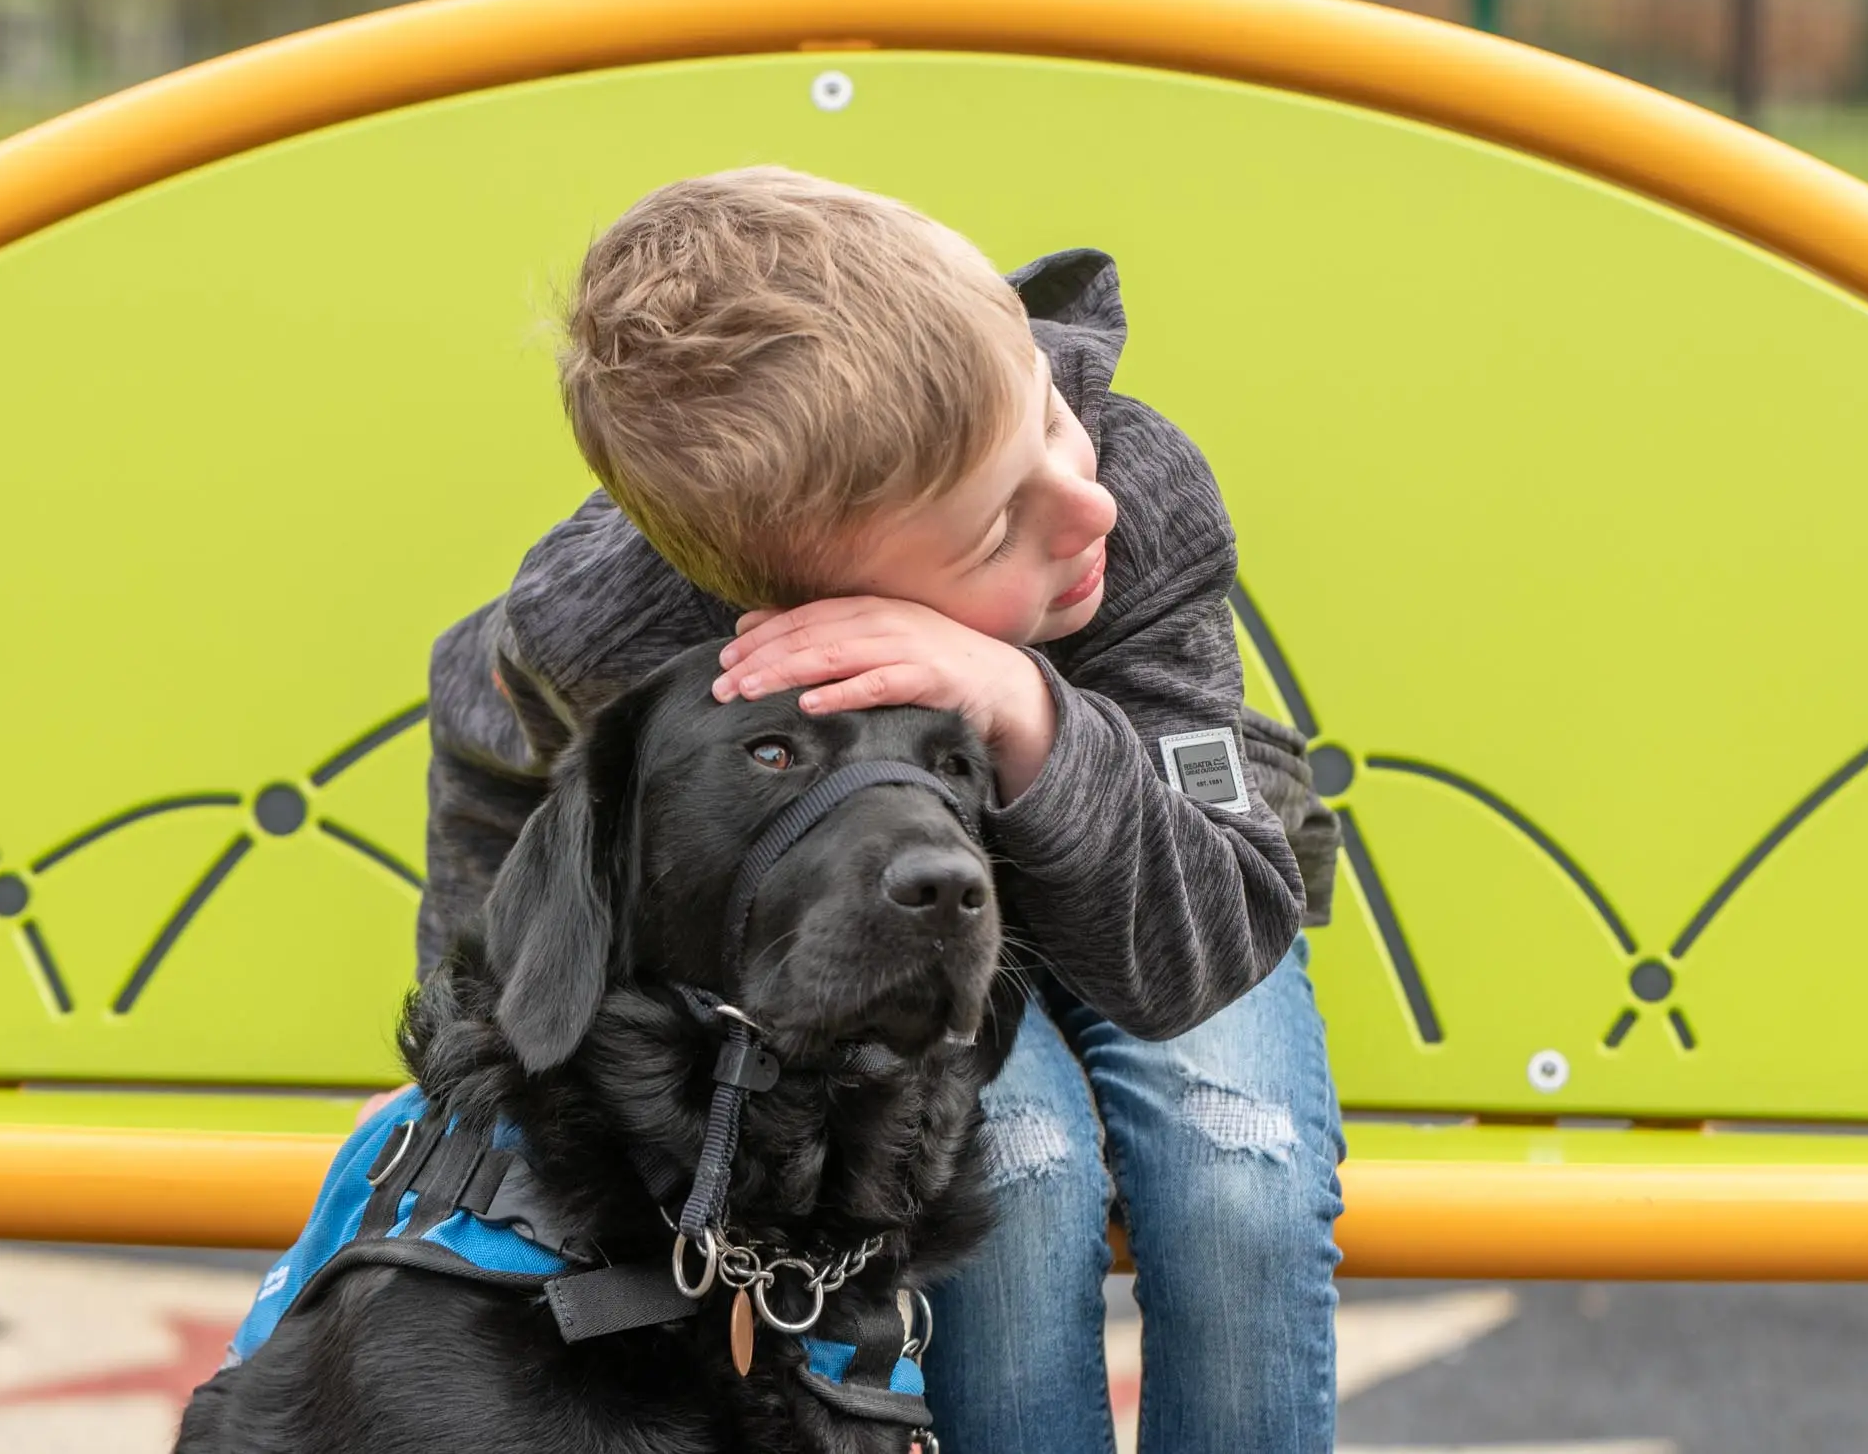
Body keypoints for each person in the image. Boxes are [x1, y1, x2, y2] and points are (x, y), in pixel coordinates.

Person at [419, 166, 1345, 1453]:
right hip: (894, 924)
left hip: (1178, 888)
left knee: (1236, 1171)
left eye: (1049, 426)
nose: (1092, 507)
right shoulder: (609, 624)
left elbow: (1202, 948)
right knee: (1014, 1173)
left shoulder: (1135, 488)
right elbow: (497, 753)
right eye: (992, 531)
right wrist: (477, 1046)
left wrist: (1024, 700)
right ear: (799, 598)